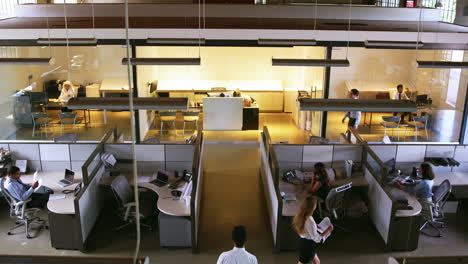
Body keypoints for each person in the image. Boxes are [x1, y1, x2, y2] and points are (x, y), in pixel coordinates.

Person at [293, 196, 333, 264]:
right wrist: (328, 230)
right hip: (309, 246)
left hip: (304, 243)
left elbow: (307, 227)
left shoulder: (301, 215)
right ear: (313, 207)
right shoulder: (310, 220)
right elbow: (317, 239)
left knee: (316, 262)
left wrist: (315, 226)